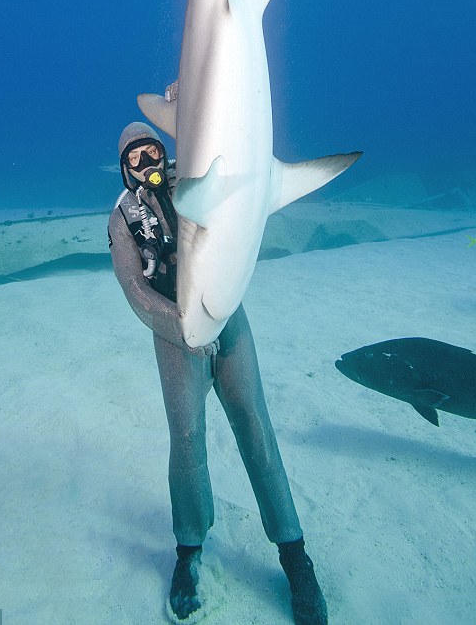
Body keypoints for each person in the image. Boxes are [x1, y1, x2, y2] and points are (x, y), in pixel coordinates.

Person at [108, 122, 328, 624]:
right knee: (187, 440)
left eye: (152, 151)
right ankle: (188, 552)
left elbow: (220, 135)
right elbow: (135, 292)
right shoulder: (121, 219)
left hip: (227, 317)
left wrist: (183, 105)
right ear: (123, 168)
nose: (147, 164)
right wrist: (184, 327)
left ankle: (294, 555)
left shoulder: (192, 179)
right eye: (135, 159)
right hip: (174, 333)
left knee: (255, 425)